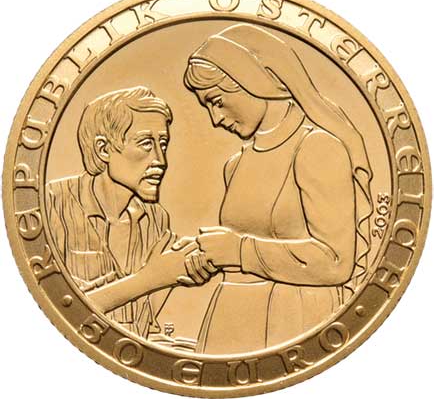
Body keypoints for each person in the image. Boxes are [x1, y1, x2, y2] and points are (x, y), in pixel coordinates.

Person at [178, 24, 373, 354]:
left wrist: (239, 252)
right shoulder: (235, 164)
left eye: (217, 101)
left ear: (252, 82)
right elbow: (240, 245)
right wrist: (205, 255)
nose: (215, 118)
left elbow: (336, 261)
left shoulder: (317, 148)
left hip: (295, 318)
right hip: (230, 317)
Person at [46, 86, 213, 338]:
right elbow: (58, 310)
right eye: (145, 143)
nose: (161, 160)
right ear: (103, 150)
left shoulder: (155, 219)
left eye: (163, 144)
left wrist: (179, 273)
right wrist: (153, 278)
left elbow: (144, 321)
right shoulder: (52, 204)